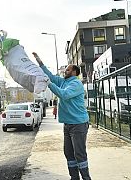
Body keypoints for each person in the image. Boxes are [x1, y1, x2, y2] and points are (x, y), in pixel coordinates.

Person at [32, 52, 91, 180]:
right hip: (68, 124)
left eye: (68, 69)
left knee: (79, 154)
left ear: (75, 72)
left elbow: (63, 94)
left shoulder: (76, 84)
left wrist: (49, 84)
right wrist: (40, 63)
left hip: (78, 124)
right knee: (69, 153)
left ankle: (86, 178)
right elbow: (51, 77)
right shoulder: (64, 81)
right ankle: (74, 178)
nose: (65, 70)